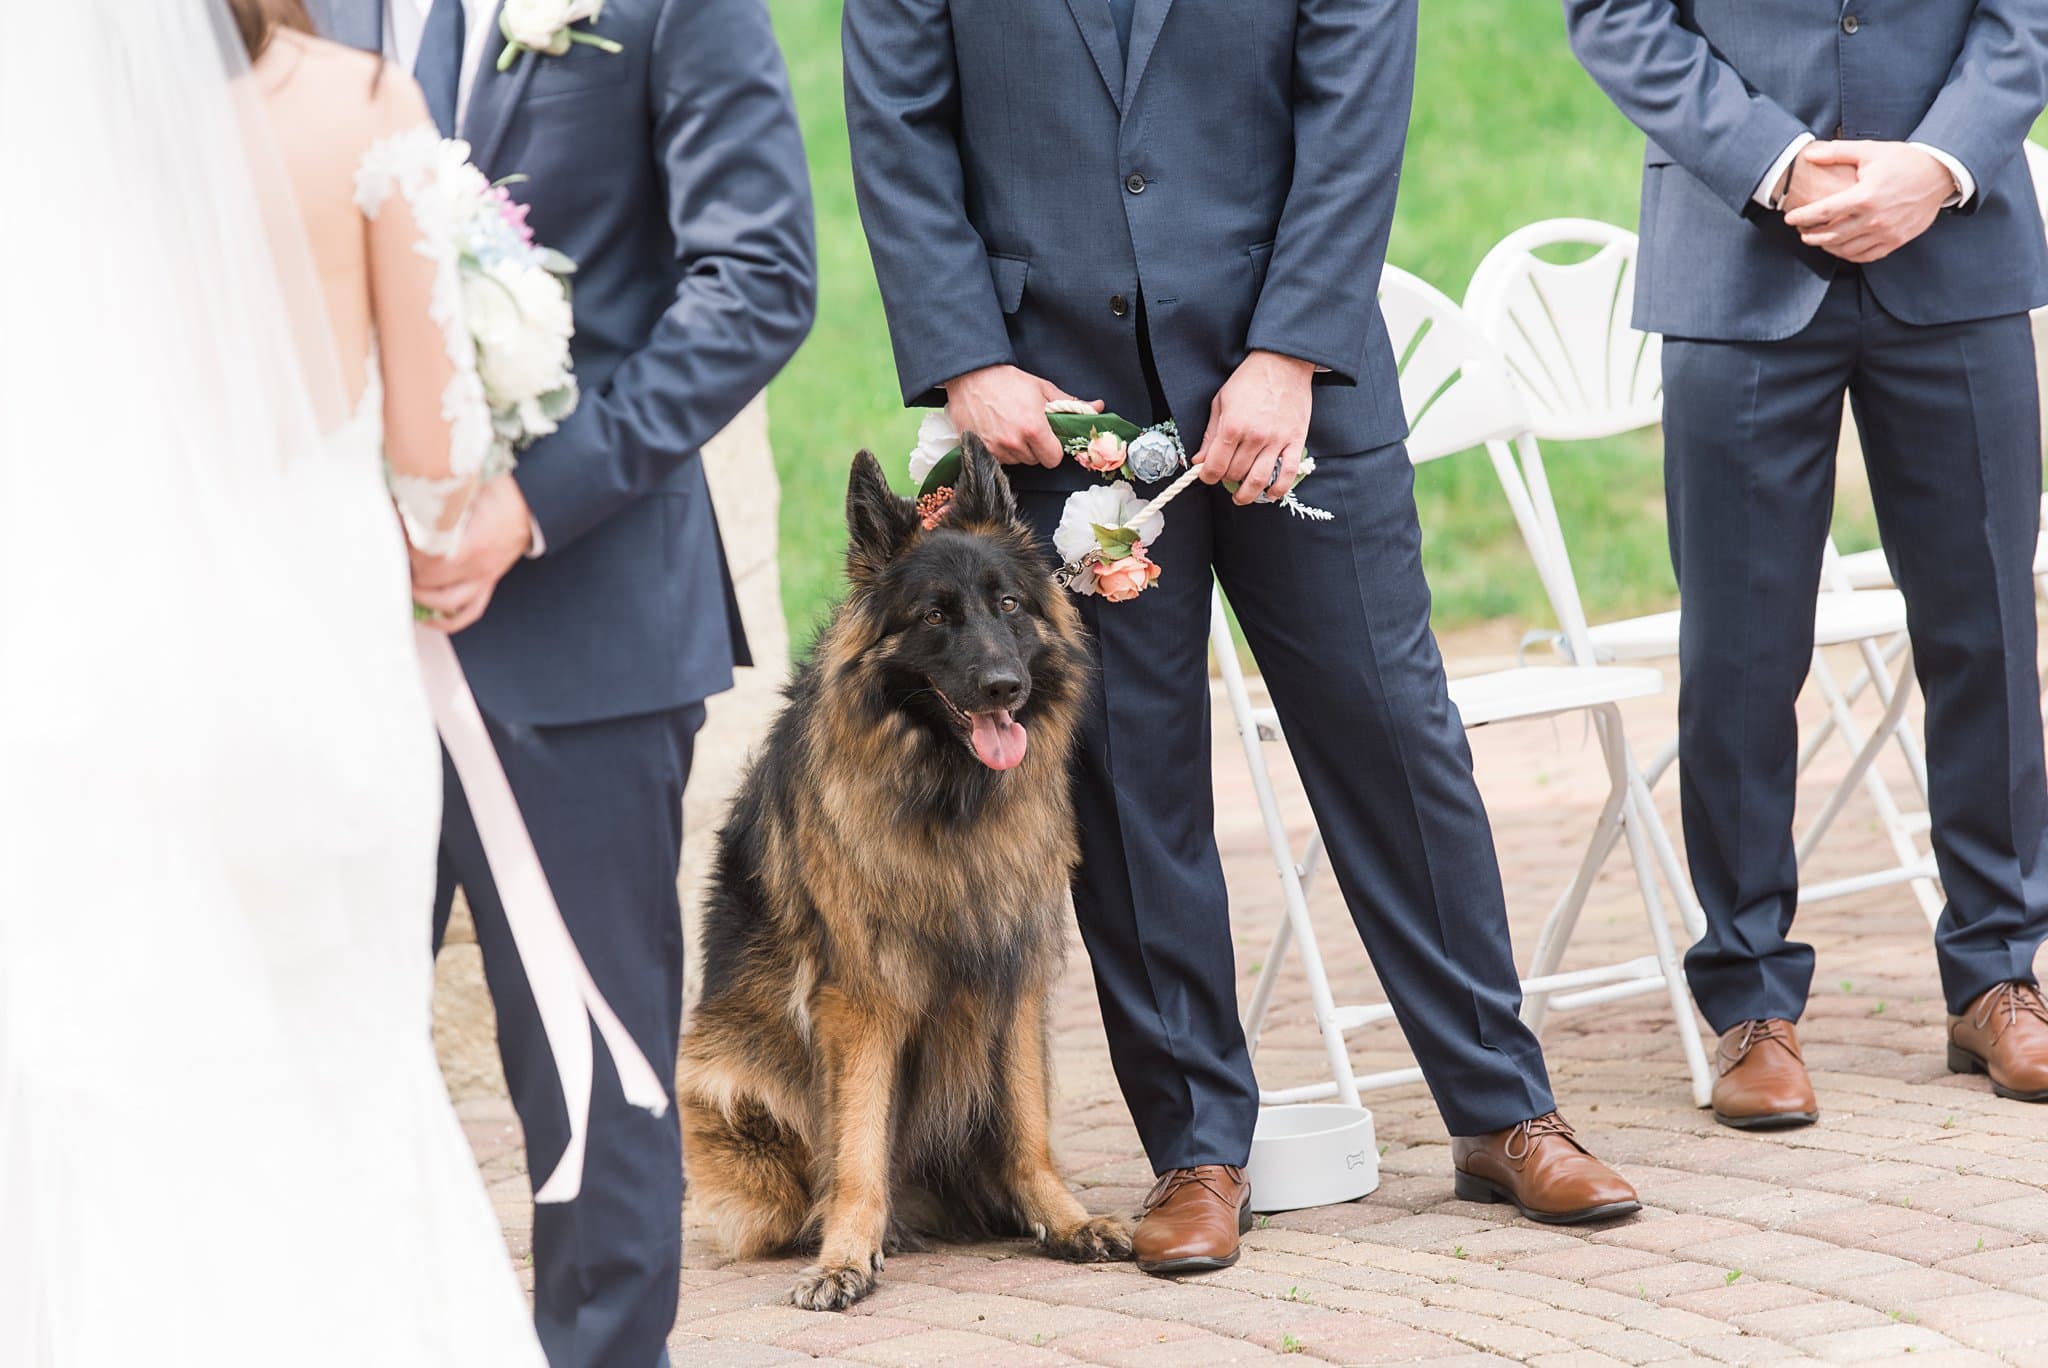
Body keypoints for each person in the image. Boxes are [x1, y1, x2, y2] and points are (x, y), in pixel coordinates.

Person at [843, 0, 1639, 1275]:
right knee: (1127, 786)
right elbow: (895, 122)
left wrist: (1286, 350)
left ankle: (1501, 1111)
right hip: (1050, 408)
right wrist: (963, 356)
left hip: (1295, 385)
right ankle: (1197, 1148)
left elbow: (1352, 106)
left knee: (1392, 743)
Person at [0, 1, 543, 1361]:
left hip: (86, 683)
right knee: (344, 1057)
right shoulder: (353, 106)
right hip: (308, 666)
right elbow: (435, 467)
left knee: (127, 1076)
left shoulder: (47, 135)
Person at [306, 2, 816, 1361]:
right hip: (321, 639)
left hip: (584, 633)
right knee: (294, 1067)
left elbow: (758, 277)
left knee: (595, 1095)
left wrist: (530, 505)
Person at [1564, 0, 2048, 1127]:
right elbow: (1616, 17)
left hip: (1959, 251)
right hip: (1733, 258)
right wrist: (1775, 163)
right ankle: (1747, 999)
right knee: (1738, 652)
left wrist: (1936, 164)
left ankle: (1995, 973)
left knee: (1986, 633)